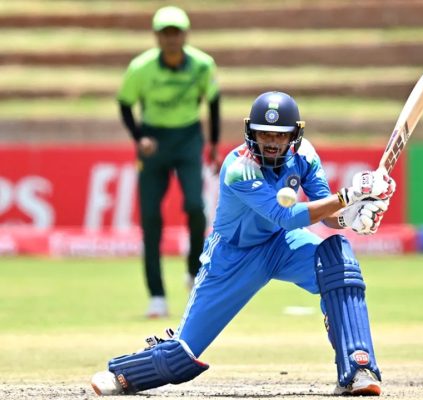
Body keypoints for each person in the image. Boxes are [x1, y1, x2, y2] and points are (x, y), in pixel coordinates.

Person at [91, 92, 395, 396]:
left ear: (294, 135)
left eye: (280, 135)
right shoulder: (239, 168)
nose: (272, 142)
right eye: (264, 134)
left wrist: (352, 217)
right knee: (181, 357)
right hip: (232, 257)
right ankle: (123, 373)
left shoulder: (304, 156)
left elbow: (327, 215)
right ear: (251, 132)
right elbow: (285, 216)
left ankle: (358, 368)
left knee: (338, 264)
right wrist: (349, 196)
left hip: (281, 244)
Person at [117, 6, 221, 317]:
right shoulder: (141, 68)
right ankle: (157, 296)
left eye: (176, 33)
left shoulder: (202, 64)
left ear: (185, 35)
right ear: (157, 36)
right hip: (154, 142)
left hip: (188, 138)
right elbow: (125, 104)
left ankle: (192, 270)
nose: (171, 39)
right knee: (150, 218)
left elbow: (213, 101)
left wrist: (214, 144)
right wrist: (139, 137)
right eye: (166, 33)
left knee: (195, 206)